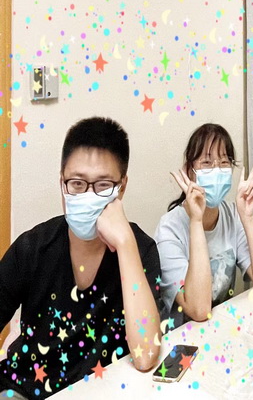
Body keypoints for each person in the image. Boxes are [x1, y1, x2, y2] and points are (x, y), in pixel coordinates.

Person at [0, 117, 161, 399]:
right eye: (76, 183)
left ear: (122, 187)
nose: (88, 195)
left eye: (103, 185)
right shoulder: (32, 248)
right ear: (61, 182)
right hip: (25, 389)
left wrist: (125, 245)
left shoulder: (141, 250)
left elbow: (146, 354)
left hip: (103, 392)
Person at [156, 124, 253, 326]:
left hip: (223, 328)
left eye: (224, 162)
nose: (217, 170)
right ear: (190, 171)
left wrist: (248, 218)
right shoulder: (169, 229)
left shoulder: (232, 215)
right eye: (207, 163)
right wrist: (196, 221)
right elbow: (199, 310)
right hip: (183, 335)